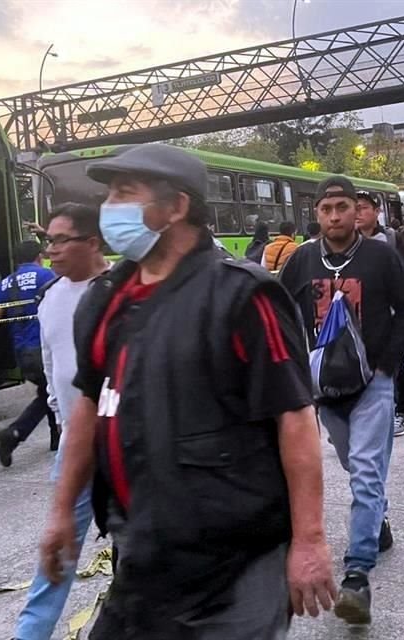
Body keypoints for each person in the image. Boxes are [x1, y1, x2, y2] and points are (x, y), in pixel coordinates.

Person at [40, 144, 336, 638]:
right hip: (141, 549)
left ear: (176, 207)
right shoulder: (106, 298)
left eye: (125, 193)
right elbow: (88, 408)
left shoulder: (243, 295)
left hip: (235, 563)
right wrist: (60, 512)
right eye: (110, 193)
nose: (110, 207)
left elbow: (295, 418)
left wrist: (309, 541)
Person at [280, 175, 404, 626]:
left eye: (342, 207)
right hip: (324, 389)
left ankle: (357, 576)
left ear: (357, 211)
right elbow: (278, 315)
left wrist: (388, 366)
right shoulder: (301, 260)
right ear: (316, 214)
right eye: (326, 209)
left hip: (372, 383)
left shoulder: (380, 256)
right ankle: (377, 525)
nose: (335, 216)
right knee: (353, 465)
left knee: (364, 469)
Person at [12, 203, 110, 640]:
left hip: (129, 447)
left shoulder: (122, 293)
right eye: (47, 241)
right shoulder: (50, 298)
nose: (49, 250)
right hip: (77, 448)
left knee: (149, 553)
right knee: (56, 554)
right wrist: (65, 423)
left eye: (59, 240)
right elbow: (54, 374)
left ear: (92, 243)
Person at [0, 241, 59, 467]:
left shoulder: (5, 283)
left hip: (22, 352)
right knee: (52, 392)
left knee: (47, 391)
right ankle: (14, 434)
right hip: (43, 348)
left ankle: (52, 439)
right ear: (39, 256)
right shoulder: (46, 275)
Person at [355, 192, 404, 437]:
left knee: (395, 364)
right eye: (354, 207)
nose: (358, 213)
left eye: (363, 208)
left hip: (388, 311)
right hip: (357, 314)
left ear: (376, 211)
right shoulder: (349, 240)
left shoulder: (390, 237)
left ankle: (402, 412)